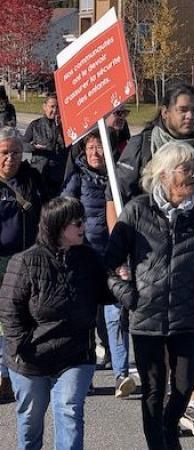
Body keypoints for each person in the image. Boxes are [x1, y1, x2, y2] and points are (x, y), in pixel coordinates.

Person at [107, 82, 194, 437]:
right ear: (165, 112)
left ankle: (186, 409)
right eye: (182, 109)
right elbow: (114, 202)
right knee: (154, 385)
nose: (190, 115)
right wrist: (125, 281)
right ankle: (162, 436)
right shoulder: (141, 152)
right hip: (148, 291)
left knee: (190, 365)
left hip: (191, 280)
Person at [0, 196, 111, 450]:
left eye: (83, 219)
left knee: (69, 411)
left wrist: (120, 279)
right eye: (77, 222)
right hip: (30, 358)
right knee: (30, 420)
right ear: (58, 226)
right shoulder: (26, 261)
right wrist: (21, 347)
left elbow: (105, 294)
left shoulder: (89, 258)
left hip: (74, 355)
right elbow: (8, 309)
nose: (84, 225)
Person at [62, 129, 135, 399]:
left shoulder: (120, 179)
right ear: (84, 151)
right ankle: (87, 374)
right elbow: (63, 212)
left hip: (113, 258)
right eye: (90, 147)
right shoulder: (77, 178)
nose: (95, 153)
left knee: (116, 317)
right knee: (87, 319)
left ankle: (121, 375)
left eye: (99, 147)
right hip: (84, 258)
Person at [0, 127, 46, 404]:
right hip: (0, 262)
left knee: (23, 320)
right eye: (5, 153)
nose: (10, 158)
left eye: (15, 152)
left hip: (27, 261)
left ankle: (17, 372)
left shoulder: (32, 179)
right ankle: (4, 376)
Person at [23, 94, 66, 199]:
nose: (55, 110)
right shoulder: (35, 125)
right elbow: (23, 145)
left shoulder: (64, 126)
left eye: (57, 107)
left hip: (58, 174)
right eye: (52, 106)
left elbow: (68, 147)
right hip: (39, 172)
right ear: (45, 106)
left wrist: (59, 127)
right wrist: (33, 147)